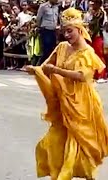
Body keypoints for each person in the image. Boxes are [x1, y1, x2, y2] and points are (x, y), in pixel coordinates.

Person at [25, 8, 108, 180]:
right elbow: (46, 66)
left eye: (70, 31)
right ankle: (60, 173)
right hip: (62, 100)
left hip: (82, 102)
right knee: (57, 137)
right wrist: (35, 70)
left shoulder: (87, 53)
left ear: (80, 30)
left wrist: (56, 70)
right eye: (64, 32)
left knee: (81, 139)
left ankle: (77, 172)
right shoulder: (62, 47)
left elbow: (82, 76)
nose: (67, 35)